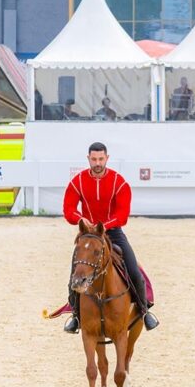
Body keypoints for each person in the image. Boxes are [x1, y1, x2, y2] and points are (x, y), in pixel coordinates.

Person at [61, 142, 158, 334]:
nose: (97, 163)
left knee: (133, 269)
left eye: (101, 159)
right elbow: (68, 209)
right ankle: (76, 316)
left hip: (113, 232)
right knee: (76, 271)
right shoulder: (77, 182)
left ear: (107, 158)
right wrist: (82, 220)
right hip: (88, 234)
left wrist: (104, 225)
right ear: (88, 158)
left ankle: (144, 310)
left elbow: (122, 214)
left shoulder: (118, 182)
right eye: (94, 159)